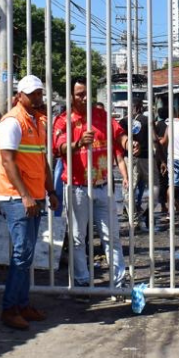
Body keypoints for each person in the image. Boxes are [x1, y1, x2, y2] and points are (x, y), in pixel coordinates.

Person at [52, 78, 130, 293]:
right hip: (77, 188)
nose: (84, 98)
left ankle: (119, 281)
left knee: (111, 236)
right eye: (79, 94)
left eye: (87, 93)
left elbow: (118, 133)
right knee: (78, 238)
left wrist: (127, 142)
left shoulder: (100, 115)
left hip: (103, 186)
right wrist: (78, 144)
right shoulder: (63, 120)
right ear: (70, 96)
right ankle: (82, 281)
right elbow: (58, 147)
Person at [0, 75, 59, 330]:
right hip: (16, 197)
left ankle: (22, 304)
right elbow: (8, 162)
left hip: (34, 197)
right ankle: (9, 309)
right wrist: (24, 195)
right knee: (22, 254)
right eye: (32, 94)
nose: (37, 97)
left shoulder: (37, 122)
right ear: (19, 95)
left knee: (27, 255)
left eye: (39, 93)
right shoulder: (12, 121)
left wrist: (51, 191)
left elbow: (41, 160)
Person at [130, 97, 168, 228]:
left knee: (130, 190)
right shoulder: (147, 121)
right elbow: (155, 141)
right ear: (140, 107)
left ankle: (133, 218)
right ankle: (147, 212)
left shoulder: (123, 122)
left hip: (130, 159)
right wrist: (162, 160)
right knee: (155, 187)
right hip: (147, 159)